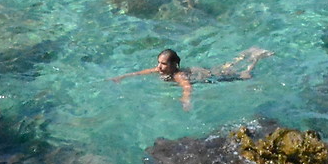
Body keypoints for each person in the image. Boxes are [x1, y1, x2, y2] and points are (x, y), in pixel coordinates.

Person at [111, 46, 272, 110]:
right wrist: (122, 77)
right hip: (205, 72)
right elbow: (141, 72)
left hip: (212, 76)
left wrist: (186, 99)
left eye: (164, 64)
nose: (159, 67)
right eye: (159, 63)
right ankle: (247, 53)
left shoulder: (177, 75)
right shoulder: (162, 70)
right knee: (228, 66)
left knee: (244, 75)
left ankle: (257, 57)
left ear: (174, 65)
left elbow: (187, 86)